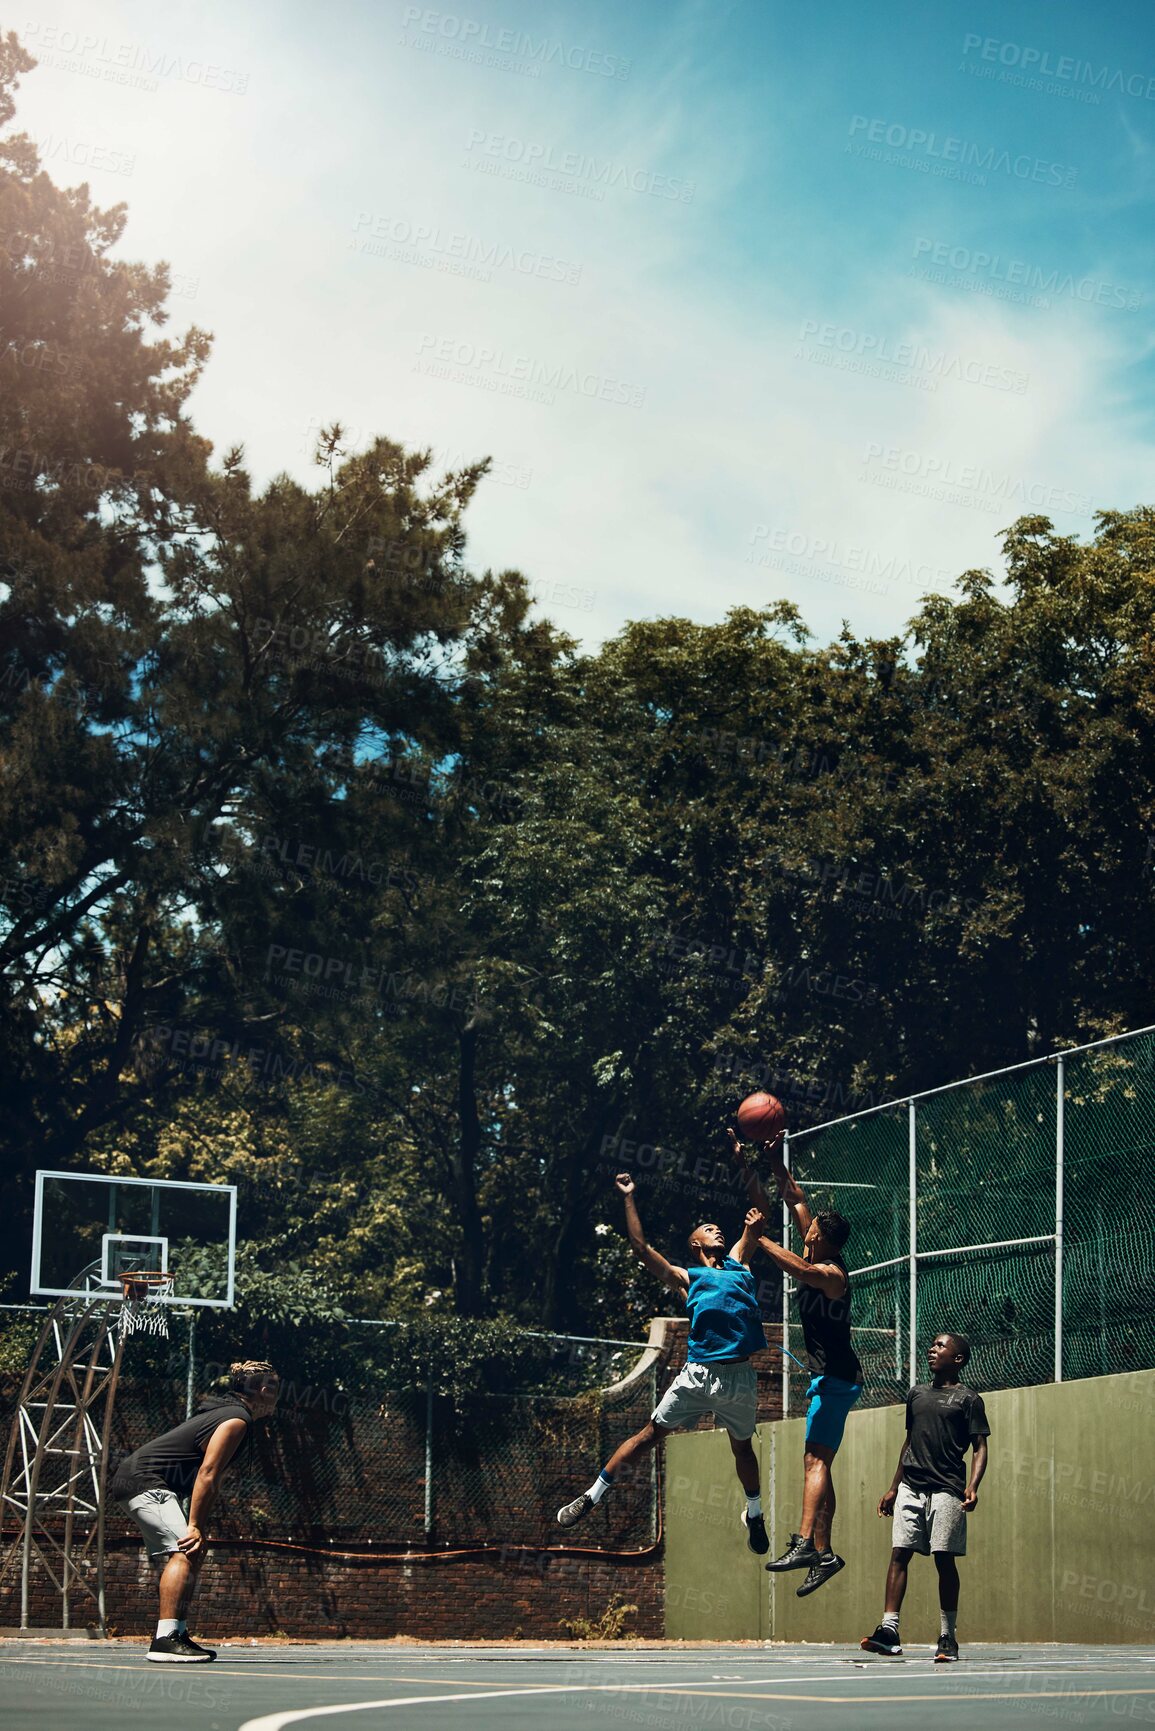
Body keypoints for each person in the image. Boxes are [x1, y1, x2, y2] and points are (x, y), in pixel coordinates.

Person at [556, 1173, 771, 1556]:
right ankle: (591, 1496)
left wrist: (751, 1197)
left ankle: (754, 1514)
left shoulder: (738, 1263)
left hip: (738, 1377)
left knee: (743, 1450)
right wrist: (628, 1197)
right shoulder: (689, 1277)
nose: (717, 1231)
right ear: (695, 1244)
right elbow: (640, 1248)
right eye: (709, 1229)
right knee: (648, 1435)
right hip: (698, 1373)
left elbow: (760, 1217)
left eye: (720, 1228)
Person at [732, 1129, 863, 1598]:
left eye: (810, 1230)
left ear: (822, 1240)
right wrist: (770, 1161)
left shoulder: (830, 1273)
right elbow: (794, 1197)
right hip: (829, 1380)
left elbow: (803, 1272)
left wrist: (758, 1240)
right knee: (819, 1465)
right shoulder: (814, 1244)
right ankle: (825, 1553)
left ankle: (806, 1543)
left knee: (814, 1462)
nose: (805, 1229)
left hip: (838, 1380)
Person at [109, 1359, 281, 1662]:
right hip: (144, 1481)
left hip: (139, 1480)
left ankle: (177, 1633)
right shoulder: (236, 1420)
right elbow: (208, 1473)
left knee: (193, 1550)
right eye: (274, 1388)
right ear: (262, 1390)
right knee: (185, 1550)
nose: (278, 1395)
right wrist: (194, 1525)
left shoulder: (224, 1410)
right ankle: (165, 1640)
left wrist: (197, 1525)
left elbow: (209, 1477)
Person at [860, 1330, 989, 1663]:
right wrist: (893, 1487)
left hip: (947, 1489)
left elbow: (980, 1448)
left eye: (940, 1346)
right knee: (899, 1553)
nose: (933, 1350)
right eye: (932, 1345)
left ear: (957, 1359)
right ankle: (889, 1631)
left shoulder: (969, 1399)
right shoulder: (915, 1394)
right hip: (910, 1487)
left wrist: (973, 1485)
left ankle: (948, 1636)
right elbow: (910, 1442)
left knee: (943, 1559)